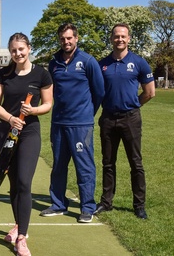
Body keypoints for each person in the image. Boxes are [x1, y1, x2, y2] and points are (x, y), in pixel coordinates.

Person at [0, 32, 53, 256]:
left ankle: (22, 238)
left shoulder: (42, 74)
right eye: (14, 50)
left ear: (29, 48)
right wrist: (10, 118)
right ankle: (18, 225)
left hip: (29, 132)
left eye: (21, 49)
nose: (18, 53)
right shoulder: (3, 74)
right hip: (6, 132)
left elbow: (48, 104)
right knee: (14, 184)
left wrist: (33, 110)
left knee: (25, 182)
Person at [40, 23, 104, 223]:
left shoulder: (88, 61)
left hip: (81, 124)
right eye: (62, 38)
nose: (66, 42)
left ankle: (87, 207)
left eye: (69, 38)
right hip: (59, 122)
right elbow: (51, 90)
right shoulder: (54, 62)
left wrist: (86, 114)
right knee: (59, 164)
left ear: (76, 38)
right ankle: (59, 204)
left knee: (84, 165)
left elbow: (99, 92)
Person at [95, 23, 155, 219]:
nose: (120, 39)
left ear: (129, 39)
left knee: (135, 163)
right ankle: (106, 202)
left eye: (123, 36)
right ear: (111, 38)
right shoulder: (101, 64)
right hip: (108, 118)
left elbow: (150, 93)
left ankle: (139, 205)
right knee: (108, 163)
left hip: (131, 118)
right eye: (116, 36)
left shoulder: (139, 62)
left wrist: (131, 104)